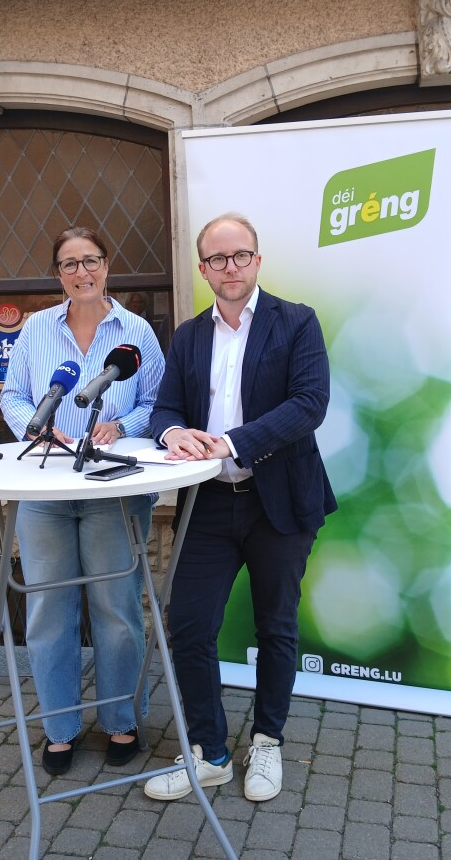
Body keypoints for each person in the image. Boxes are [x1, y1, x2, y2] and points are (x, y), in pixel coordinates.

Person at [144, 212, 336, 803]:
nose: (230, 268)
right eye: (217, 259)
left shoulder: (297, 322)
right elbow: (165, 409)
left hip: (276, 501)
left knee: (275, 626)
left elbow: (309, 404)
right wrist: (172, 434)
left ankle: (268, 740)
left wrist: (231, 442)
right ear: (202, 269)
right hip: (206, 504)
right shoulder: (188, 334)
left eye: (240, 256)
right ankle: (210, 753)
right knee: (191, 627)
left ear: (257, 260)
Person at [0, 226, 163, 774]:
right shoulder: (36, 330)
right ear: (58, 275)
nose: (81, 273)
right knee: (48, 610)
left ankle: (121, 720)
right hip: (45, 490)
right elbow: (14, 396)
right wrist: (39, 431)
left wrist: (122, 425)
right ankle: (61, 728)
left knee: (116, 609)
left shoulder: (135, 332)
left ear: (107, 266)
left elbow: (158, 404)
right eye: (69, 265)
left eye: (90, 261)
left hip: (111, 492)